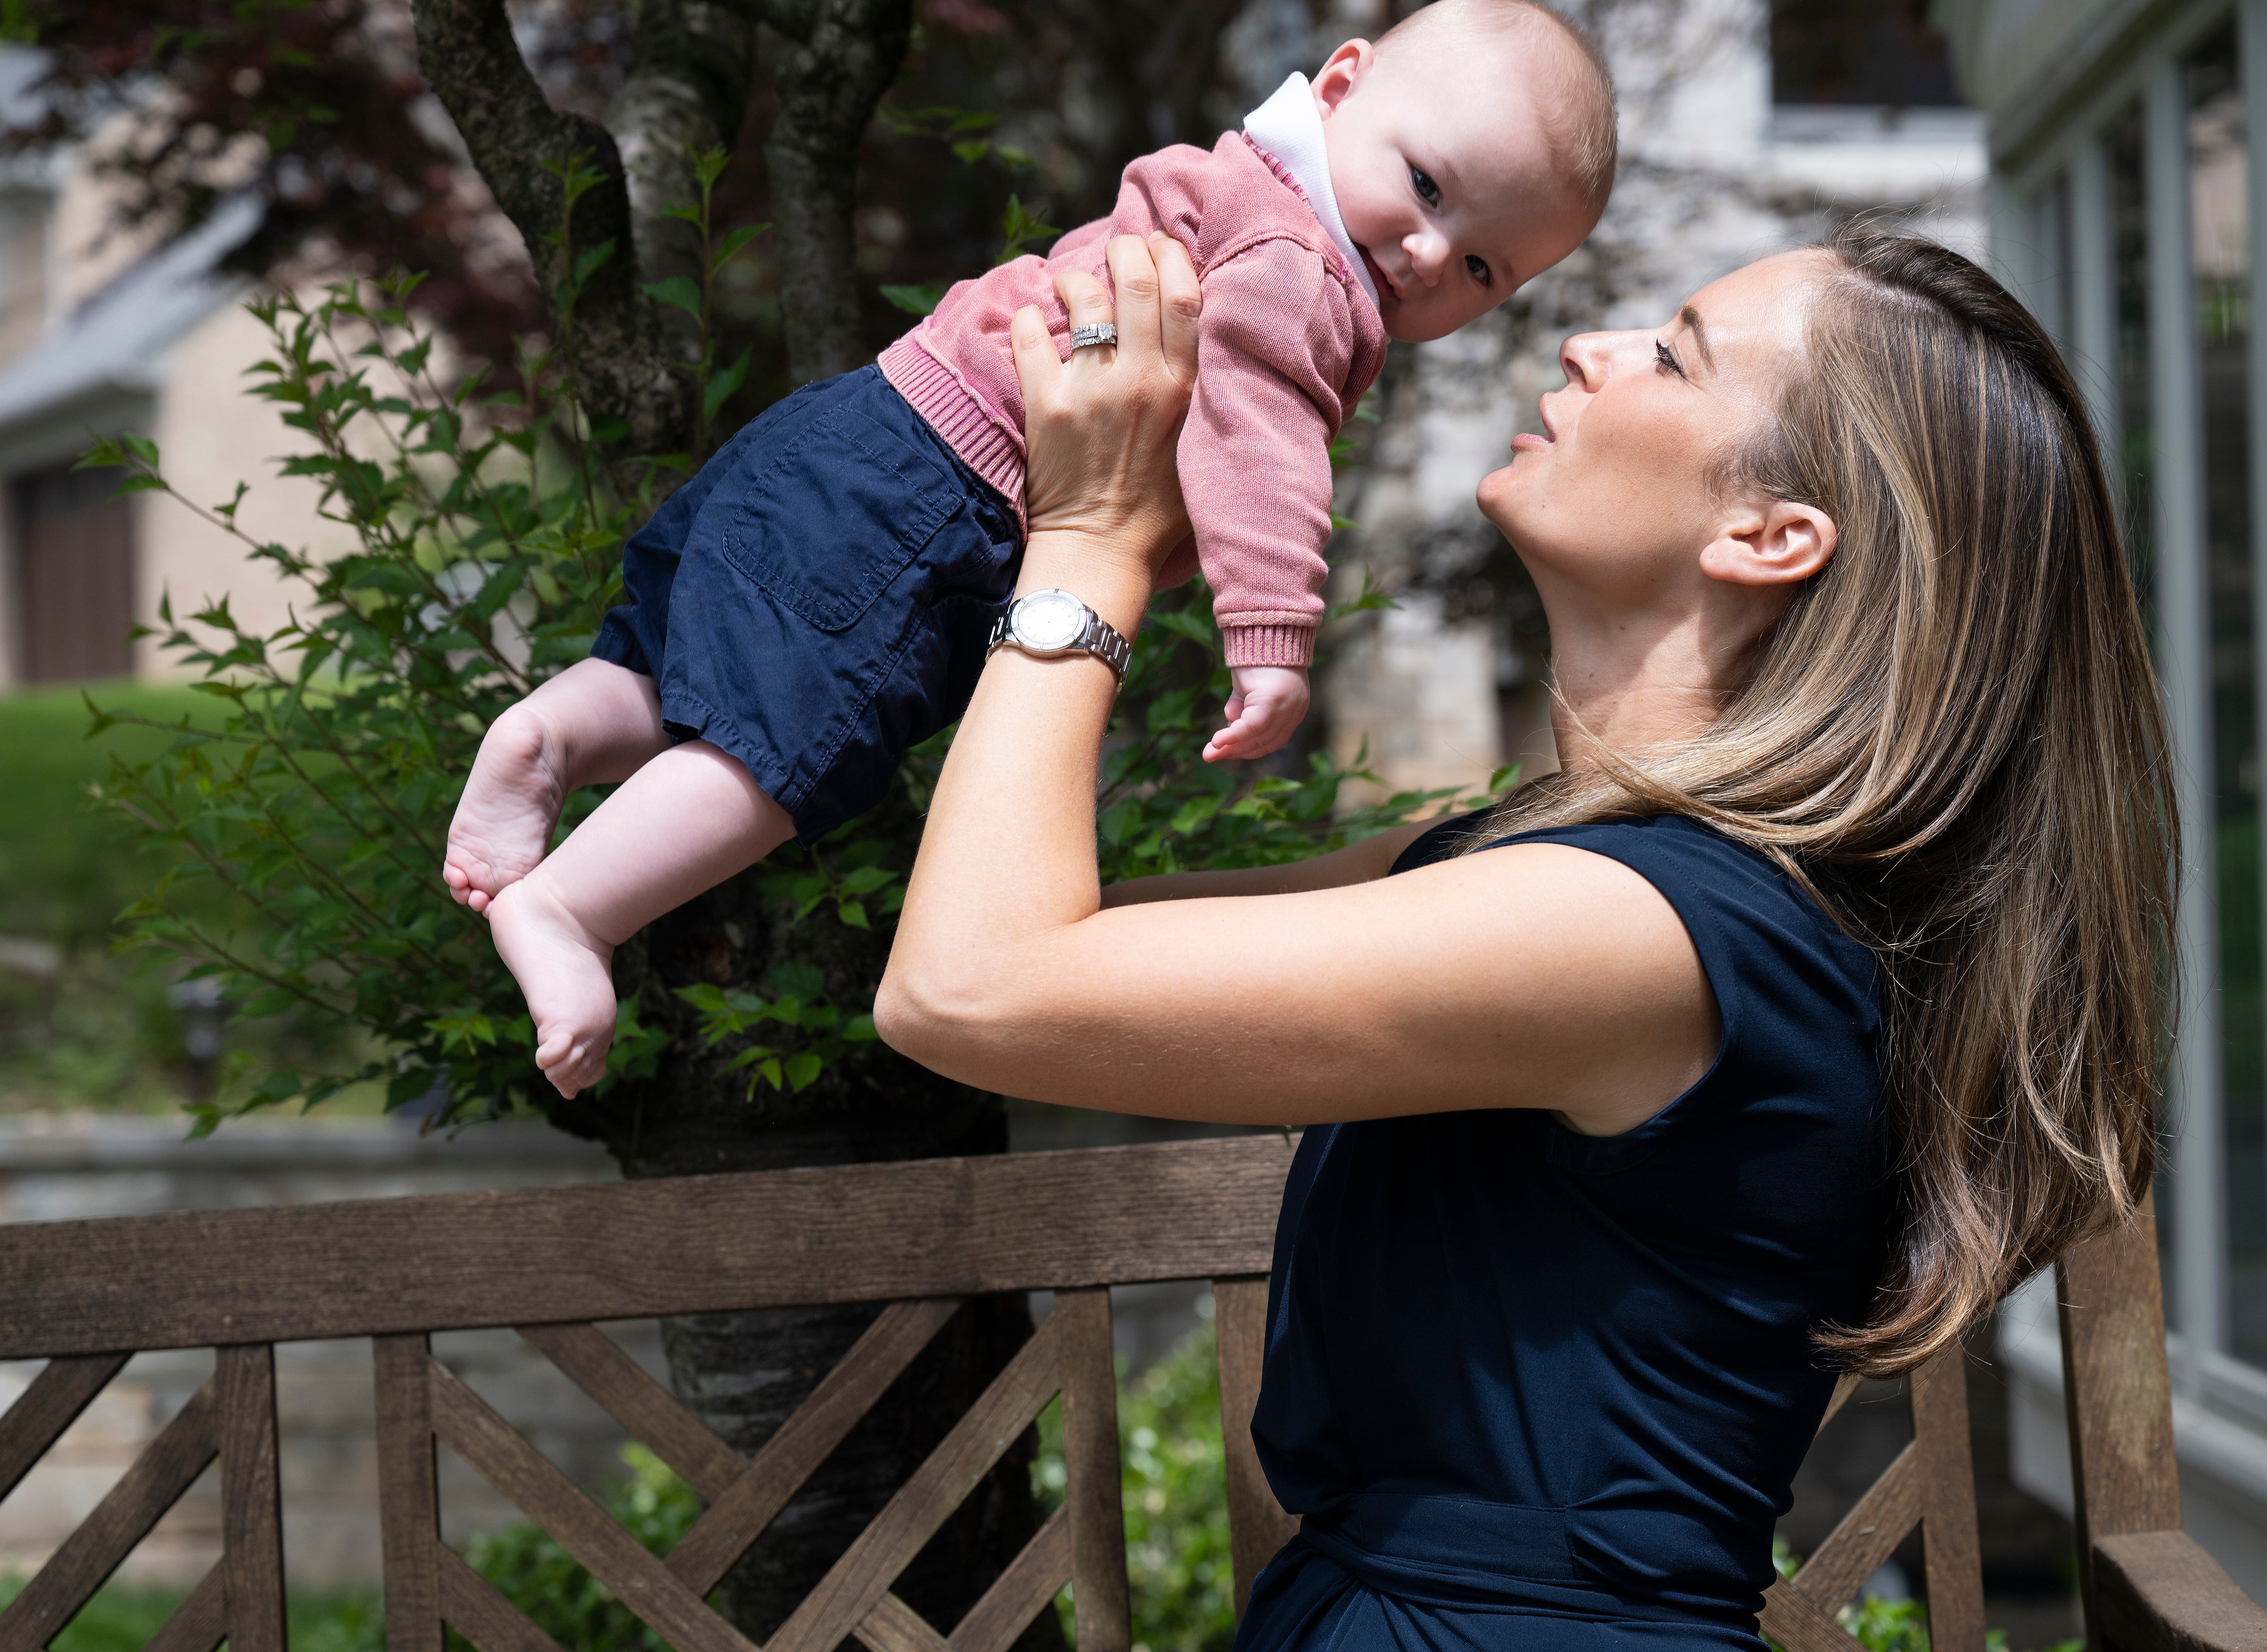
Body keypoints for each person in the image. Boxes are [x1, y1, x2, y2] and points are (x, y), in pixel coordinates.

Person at [876, 231, 2174, 1651]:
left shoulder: (1640, 933)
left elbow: (970, 988)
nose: (1585, 346)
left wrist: (1090, 543)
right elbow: (1028, 942)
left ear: (1767, 534)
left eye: (1669, 354)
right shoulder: (1550, 873)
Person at [441, 0, 1619, 1097]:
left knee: (679, 675)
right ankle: (576, 910)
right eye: (1424, 185)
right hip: (938, 501)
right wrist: (1271, 632)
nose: (1424, 251)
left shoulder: (1235, 183)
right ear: (1344, 84)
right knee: (783, 748)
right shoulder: (1303, 268)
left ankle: (551, 732)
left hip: (860, 424)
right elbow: (1260, 442)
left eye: (1481, 268)